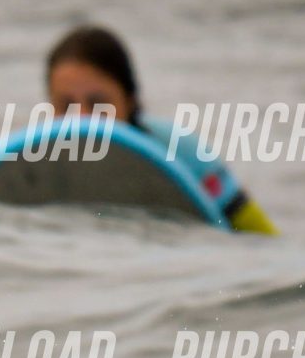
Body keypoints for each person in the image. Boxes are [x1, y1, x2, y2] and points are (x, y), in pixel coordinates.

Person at [45, 26, 277, 233]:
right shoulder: (33, 160)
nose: (82, 119)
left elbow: (262, 240)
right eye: (65, 105)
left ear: (130, 101)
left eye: (98, 104)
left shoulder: (182, 150)